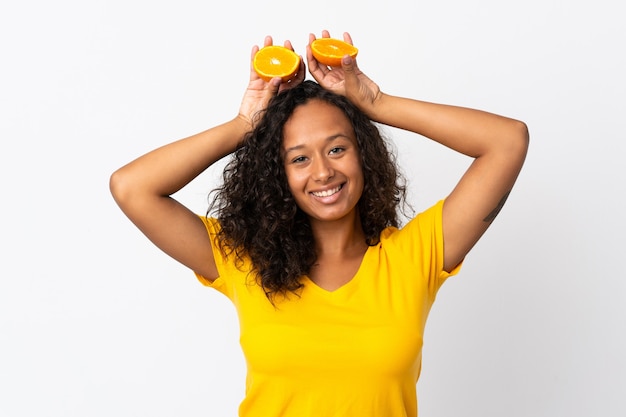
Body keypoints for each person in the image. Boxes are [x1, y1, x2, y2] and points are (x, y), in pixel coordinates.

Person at [110, 30, 529, 417]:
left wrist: (375, 102)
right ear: (278, 174)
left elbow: (507, 141)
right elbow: (132, 187)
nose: (323, 172)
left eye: (337, 148)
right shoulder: (244, 261)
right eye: (299, 158)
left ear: (363, 154)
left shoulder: (413, 257)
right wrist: (245, 126)